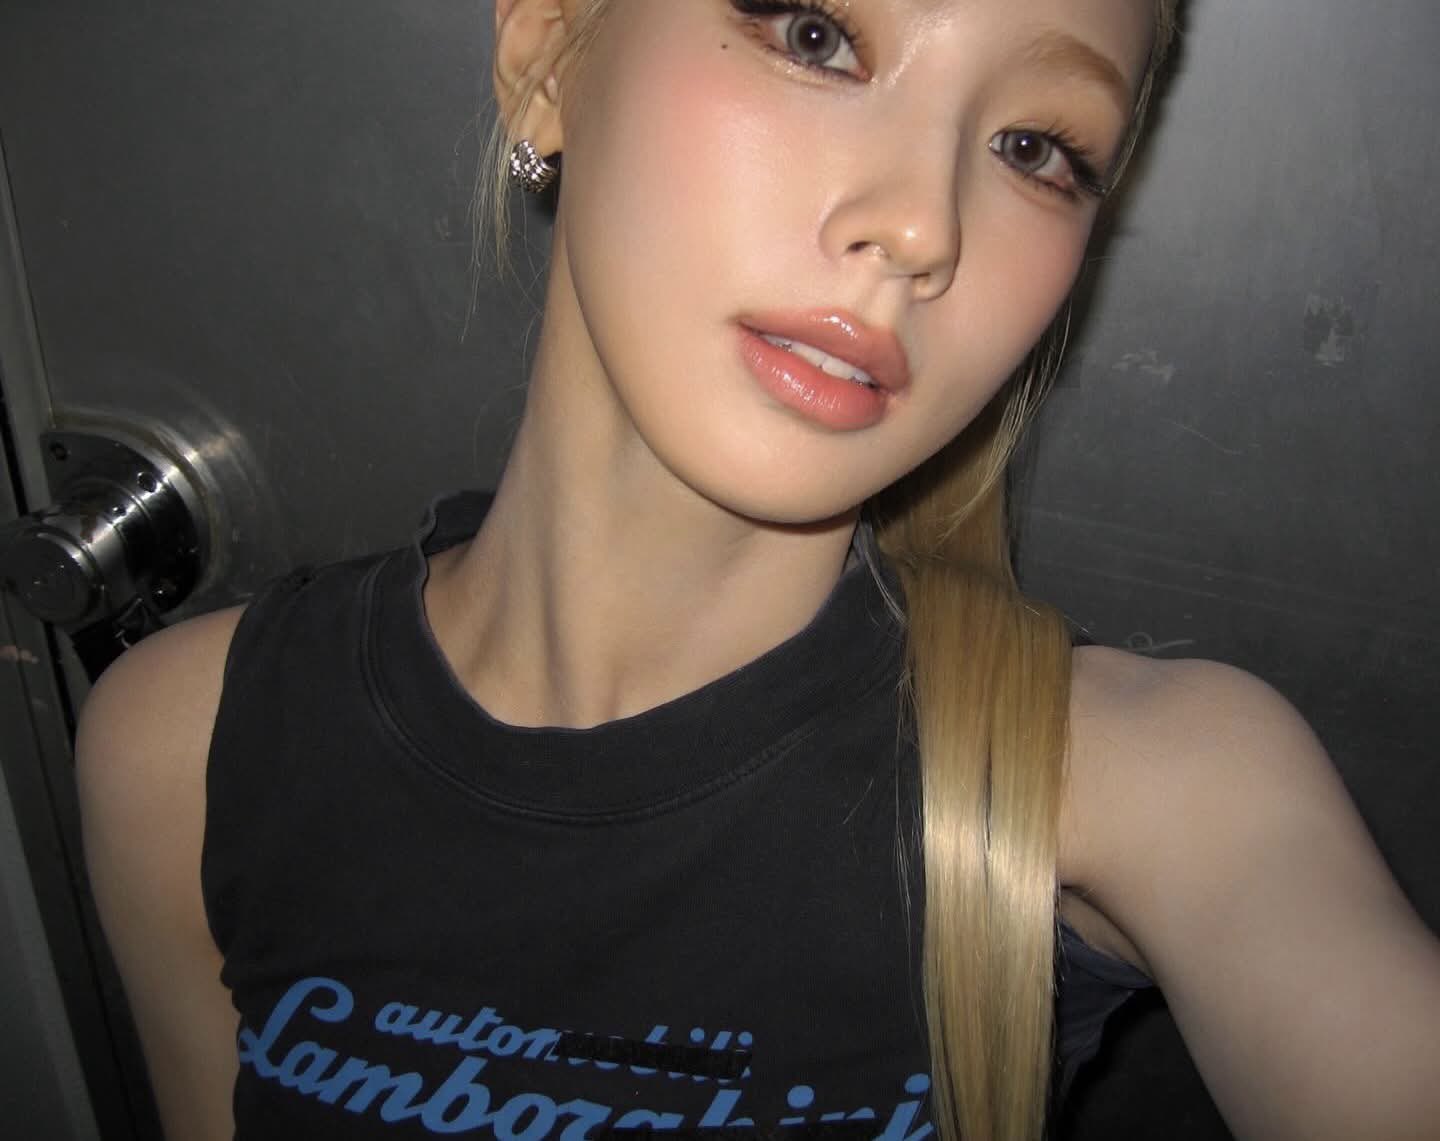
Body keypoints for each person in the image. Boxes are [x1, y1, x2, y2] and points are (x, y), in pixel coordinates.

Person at [74, 1, 1440, 1139]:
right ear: (548, 54)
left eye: (1035, 148)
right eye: (817, 34)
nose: (922, 226)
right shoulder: (186, 749)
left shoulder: (1142, 789)